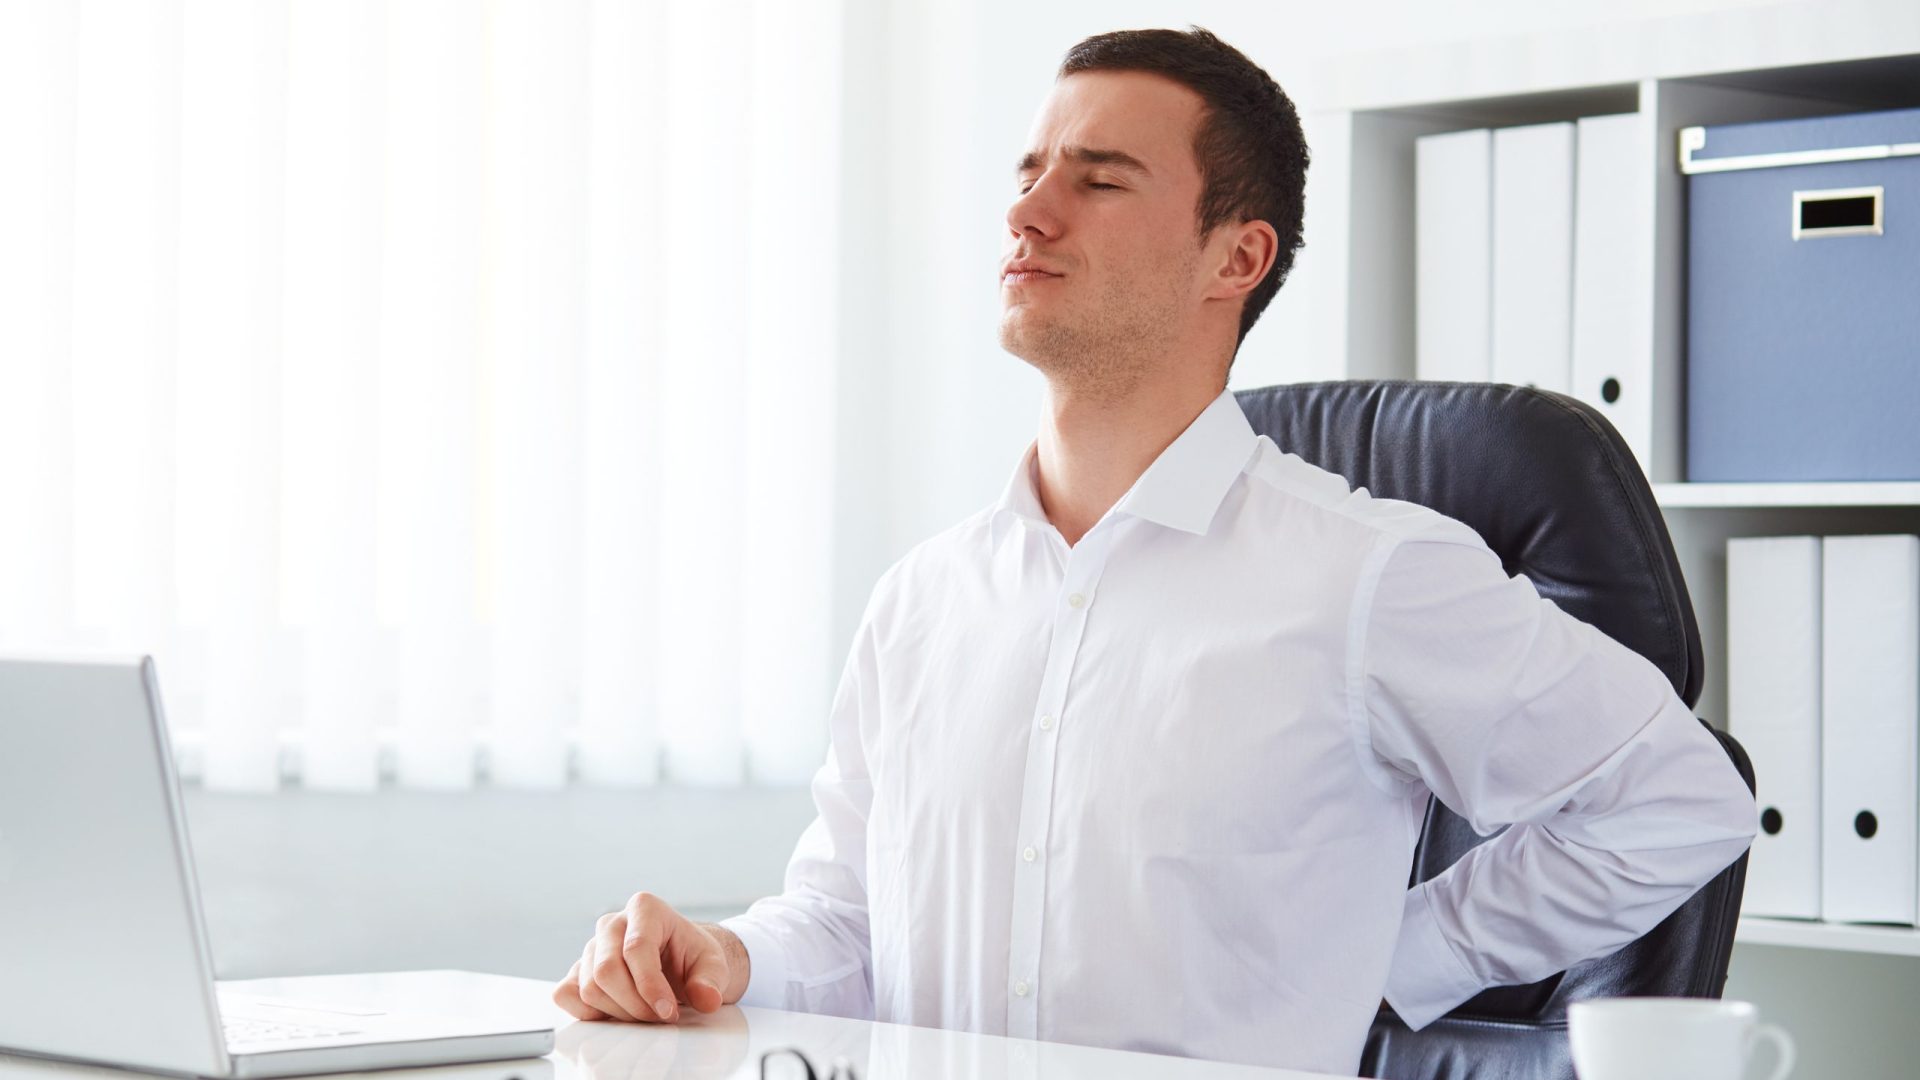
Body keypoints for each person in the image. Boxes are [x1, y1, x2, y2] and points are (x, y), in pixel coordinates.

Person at [553, 26, 1757, 1075]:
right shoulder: (924, 600)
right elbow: (849, 920)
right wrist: (725, 955)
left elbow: (1681, 800)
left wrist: (1396, 957)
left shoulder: (1364, 575)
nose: (1028, 213)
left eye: (1100, 180)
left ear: (1236, 257)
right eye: (1029, 173)